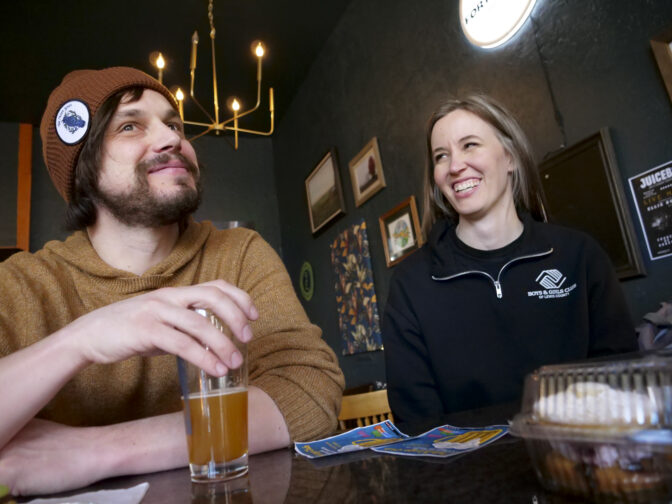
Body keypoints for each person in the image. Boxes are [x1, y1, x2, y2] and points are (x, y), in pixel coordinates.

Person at [0, 67, 344, 495]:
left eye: (174, 124)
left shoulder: (239, 253)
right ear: (82, 169)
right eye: (130, 125)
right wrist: (81, 340)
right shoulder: (20, 284)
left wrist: (99, 451)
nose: (172, 139)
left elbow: (310, 392)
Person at [381, 94, 637, 430]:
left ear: (511, 157)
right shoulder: (410, 284)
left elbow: (618, 386)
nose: (455, 166)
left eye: (470, 145)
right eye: (441, 156)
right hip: (463, 478)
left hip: (575, 463)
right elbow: (418, 423)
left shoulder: (580, 256)